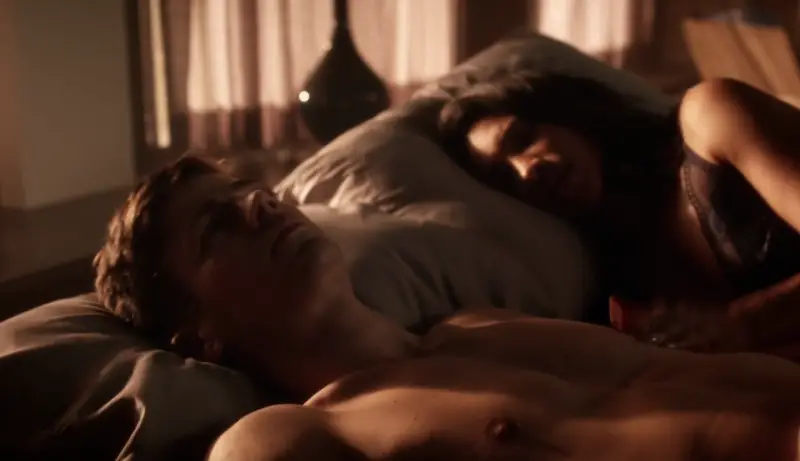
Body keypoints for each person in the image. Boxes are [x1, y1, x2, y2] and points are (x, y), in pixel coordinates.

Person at [95, 157, 800, 461]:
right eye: (215, 226)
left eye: (251, 190)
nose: (259, 203)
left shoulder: (480, 323)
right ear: (200, 336)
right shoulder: (282, 437)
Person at [438, 73, 800, 356]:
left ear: (568, 115)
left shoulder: (710, 116)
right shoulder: (619, 278)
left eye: (522, 139)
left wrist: (745, 324)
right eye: (505, 180)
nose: (526, 171)